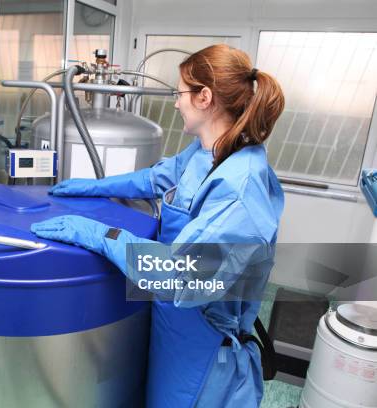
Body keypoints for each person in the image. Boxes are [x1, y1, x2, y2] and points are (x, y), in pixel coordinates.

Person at [31, 44, 285, 408]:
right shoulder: (208, 151)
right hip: (172, 324)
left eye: (180, 93)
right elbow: (155, 179)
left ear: (205, 98)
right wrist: (90, 187)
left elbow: (182, 277)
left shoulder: (240, 191)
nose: (175, 102)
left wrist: (102, 235)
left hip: (204, 349)